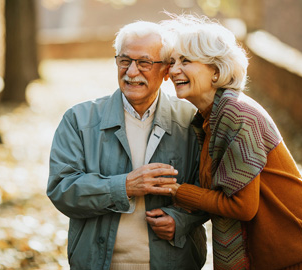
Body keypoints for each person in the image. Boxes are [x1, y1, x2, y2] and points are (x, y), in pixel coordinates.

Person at [160, 14, 302, 269]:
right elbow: (216, 192)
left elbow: (241, 206)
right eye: (173, 61)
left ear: (216, 71)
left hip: (294, 256)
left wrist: (178, 192)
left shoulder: (236, 115)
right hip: (269, 257)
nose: (173, 70)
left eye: (185, 61)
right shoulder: (208, 119)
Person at [47, 20, 208, 269]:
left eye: (144, 63)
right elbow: (62, 189)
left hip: (173, 261)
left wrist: (181, 221)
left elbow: (209, 189)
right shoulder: (79, 119)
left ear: (166, 70)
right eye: (124, 61)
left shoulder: (191, 121)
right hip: (98, 262)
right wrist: (124, 186)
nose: (132, 72)